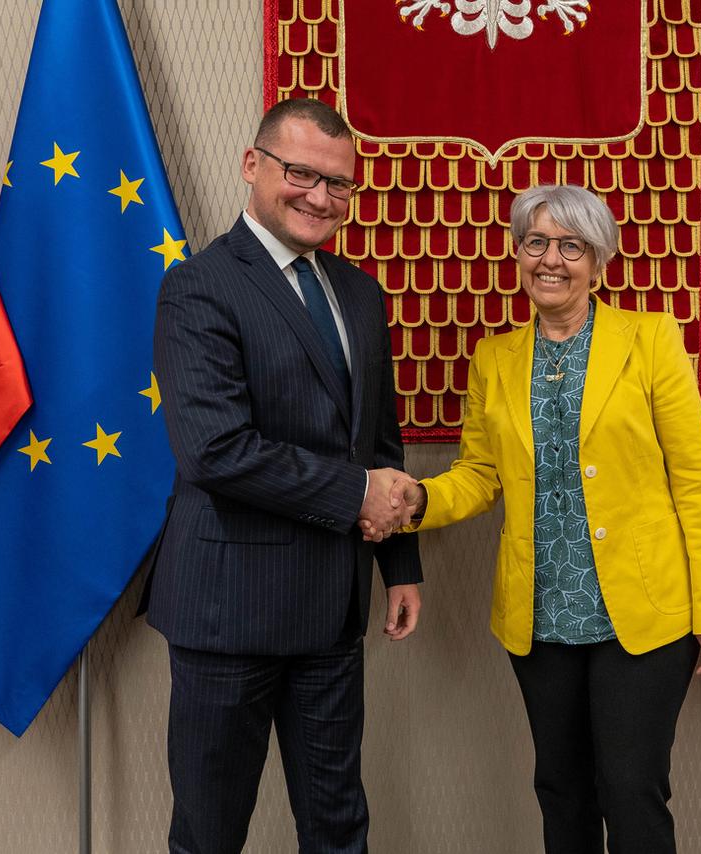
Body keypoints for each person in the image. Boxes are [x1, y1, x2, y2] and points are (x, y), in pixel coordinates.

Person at [379, 184, 701, 854]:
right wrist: (420, 500)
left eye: (571, 245)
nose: (552, 258)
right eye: (537, 242)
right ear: (518, 254)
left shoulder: (651, 338)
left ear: (598, 262)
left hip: (643, 613)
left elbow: (697, 483)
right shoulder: (495, 358)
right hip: (540, 615)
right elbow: (481, 476)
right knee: (562, 791)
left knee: (632, 789)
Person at [150, 97, 422, 854]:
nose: (320, 197)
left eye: (339, 185)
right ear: (253, 166)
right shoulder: (199, 286)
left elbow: (380, 441)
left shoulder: (360, 293)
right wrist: (355, 495)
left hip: (334, 609)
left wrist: (398, 562)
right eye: (301, 173)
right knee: (211, 833)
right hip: (226, 614)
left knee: (338, 827)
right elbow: (214, 450)